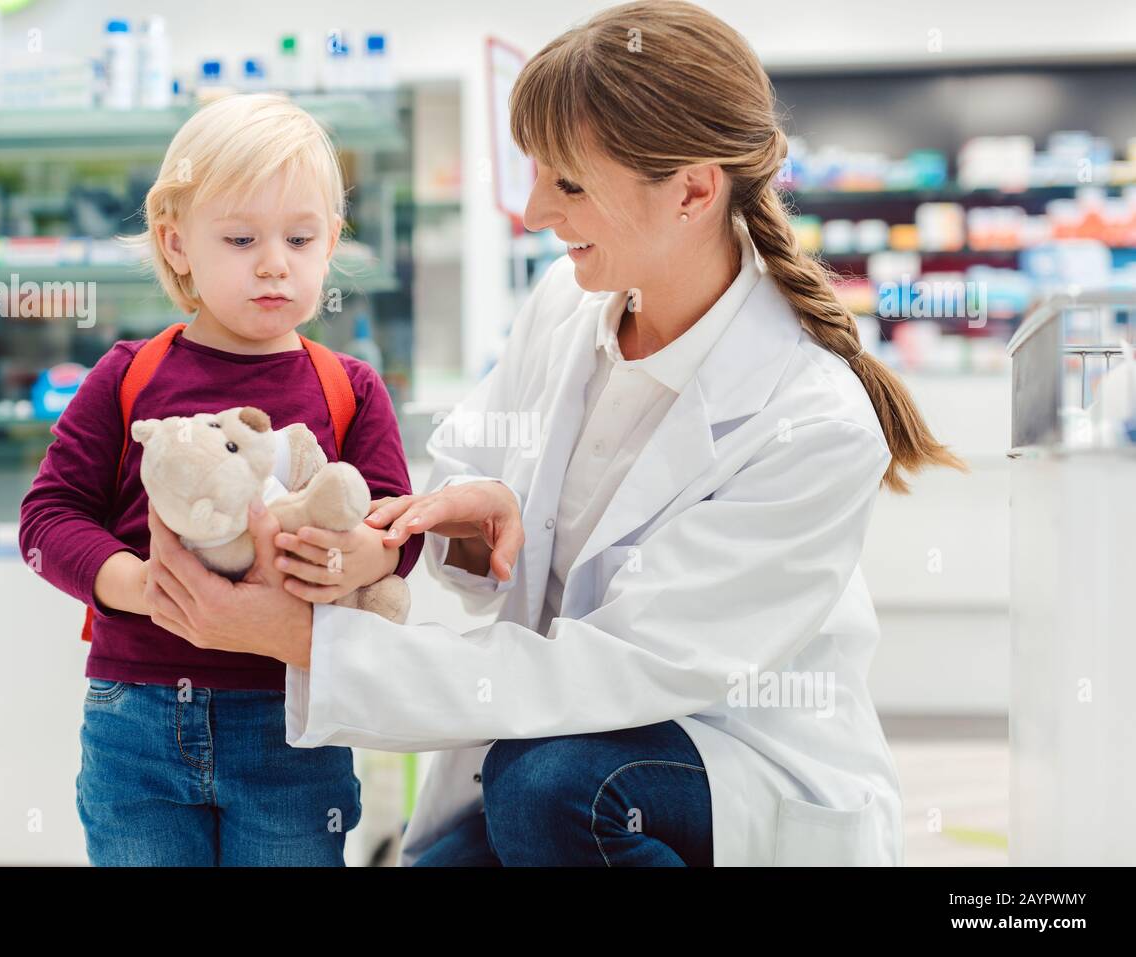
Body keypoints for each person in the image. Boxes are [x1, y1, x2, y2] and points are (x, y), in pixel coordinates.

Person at [143, 0, 967, 866]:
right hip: (539, 752)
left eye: (569, 184)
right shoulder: (568, 304)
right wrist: (464, 521)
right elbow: (476, 473)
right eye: (535, 172)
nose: (535, 209)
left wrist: (304, 640)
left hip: (713, 761)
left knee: (554, 788)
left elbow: (617, 668)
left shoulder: (813, 422)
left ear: (692, 189)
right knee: (513, 802)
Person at [18, 93, 423, 866]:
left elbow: (399, 525)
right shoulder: (127, 377)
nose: (275, 261)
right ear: (176, 243)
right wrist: (135, 584)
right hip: (134, 719)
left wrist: (371, 554)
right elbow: (47, 519)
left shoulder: (351, 388)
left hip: (293, 722)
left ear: (331, 243)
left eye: (301, 238)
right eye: (241, 237)